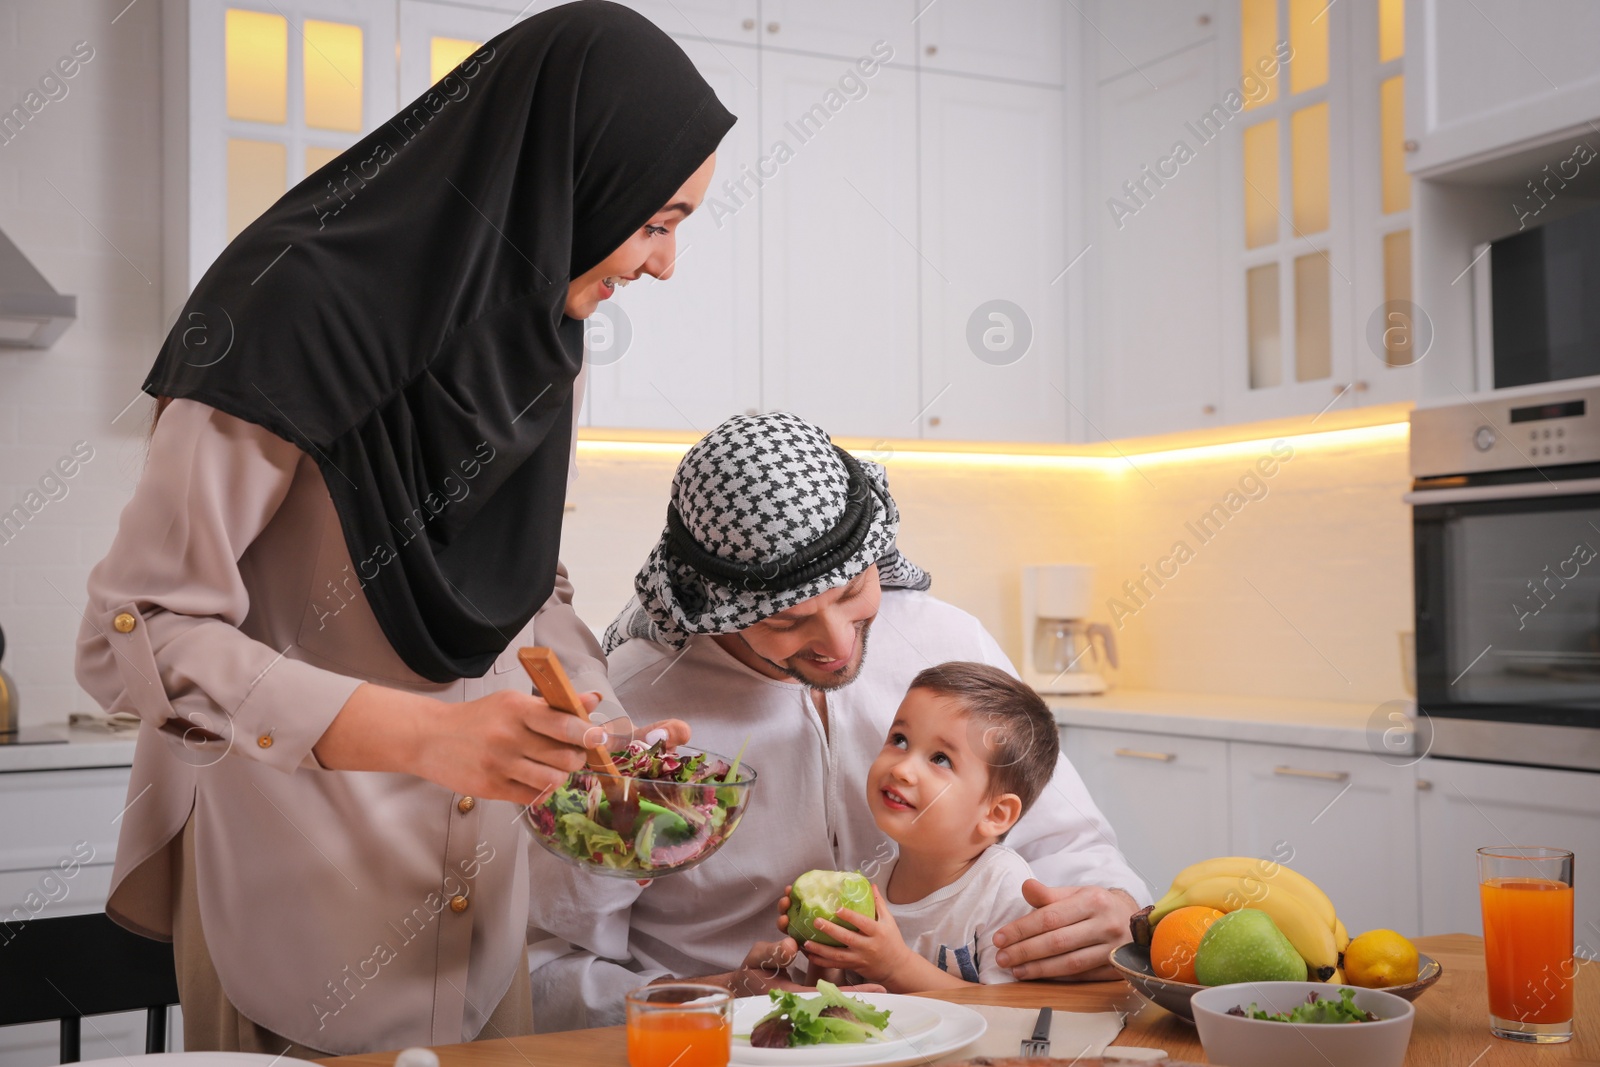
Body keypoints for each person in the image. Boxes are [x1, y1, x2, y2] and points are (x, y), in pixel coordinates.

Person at [74, 4, 732, 1057]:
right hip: (295, 899)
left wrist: (601, 732)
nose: (660, 265)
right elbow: (136, 629)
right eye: (656, 221)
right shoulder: (280, 311)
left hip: (478, 921)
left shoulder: (531, 334)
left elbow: (524, 593)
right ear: (562, 172)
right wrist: (426, 738)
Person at [526, 412, 1148, 1030]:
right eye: (786, 620)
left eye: (852, 593)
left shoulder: (951, 644)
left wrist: (1117, 909)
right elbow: (548, 962)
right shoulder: (628, 713)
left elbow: (1068, 844)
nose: (837, 645)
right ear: (716, 608)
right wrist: (705, 997)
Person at [777, 661, 1061, 990]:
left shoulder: (1003, 887)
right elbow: (839, 999)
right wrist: (825, 950)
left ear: (995, 814)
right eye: (899, 740)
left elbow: (1010, 1011)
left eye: (940, 759)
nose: (902, 769)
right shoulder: (870, 886)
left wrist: (895, 966)